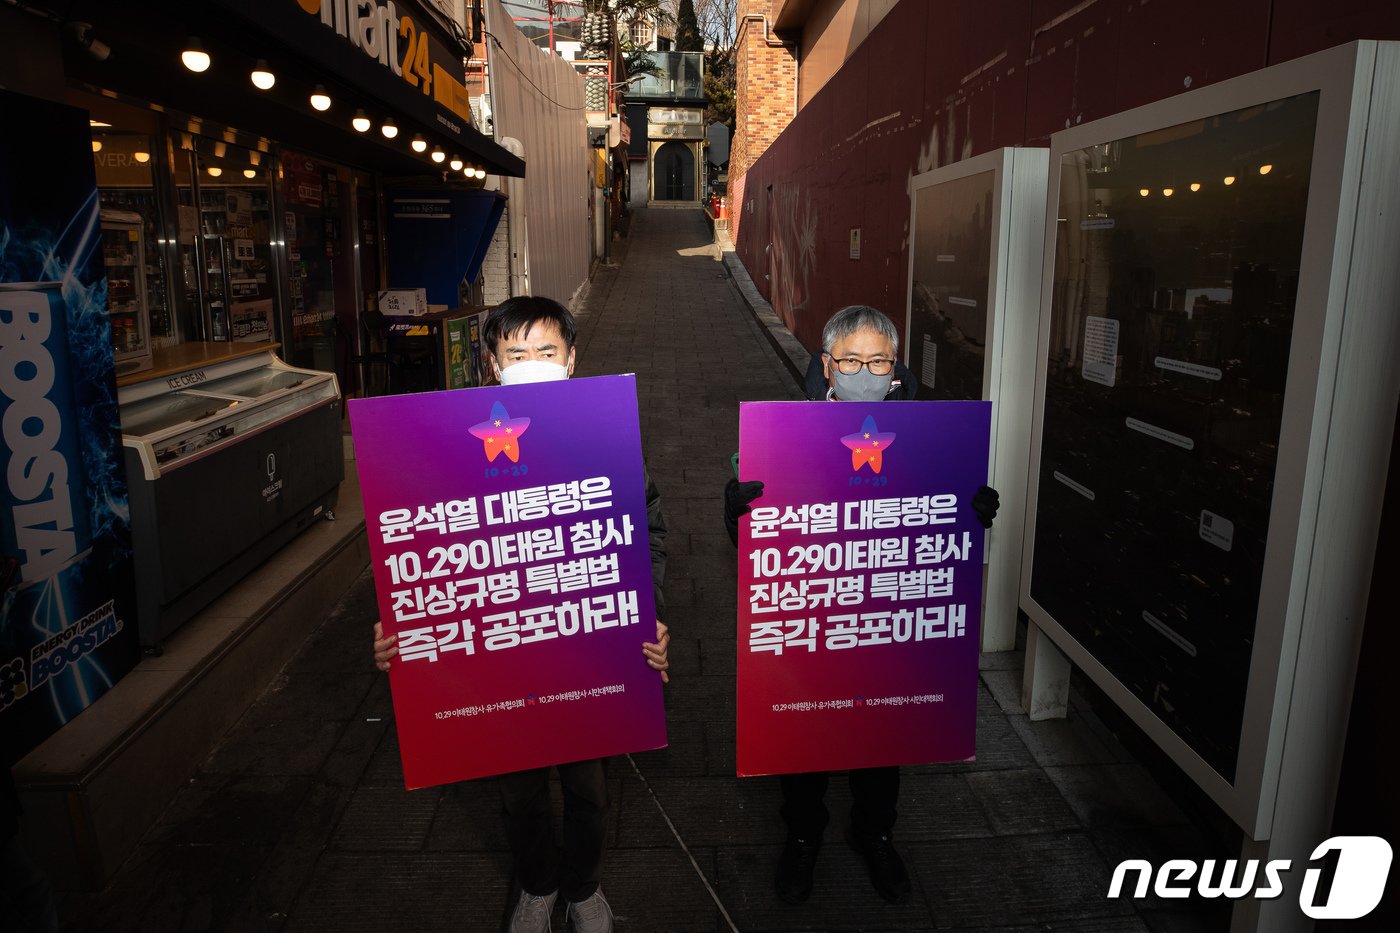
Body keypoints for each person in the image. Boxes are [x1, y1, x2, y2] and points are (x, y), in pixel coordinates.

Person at [372, 296, 670, 933]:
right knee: (519, 789)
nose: (531, 363)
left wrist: (651, 612)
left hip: (585, 652)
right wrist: (405, 627)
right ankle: (537, 884)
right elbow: (422, 544)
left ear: (571, 359)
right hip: (502, 661)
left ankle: (583, 887)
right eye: (516, 353)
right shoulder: (446, 440)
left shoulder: (604, 434)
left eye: (546, 351)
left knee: (589, 787)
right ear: (492, 364)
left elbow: (649, 530)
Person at [723, 304, 999, 906]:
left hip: (886, 622)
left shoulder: (932, 438)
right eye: (850, 361)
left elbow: (941, 531)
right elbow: (757, 548)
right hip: (814, 619)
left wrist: (973, 513)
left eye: (878, 361)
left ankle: (875, 834)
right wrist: (736, 511)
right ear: (826, 365)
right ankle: (803, 837)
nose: (865, 373)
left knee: (881, 735)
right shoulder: (781, 433)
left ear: (895, 367)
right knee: (805, 735)